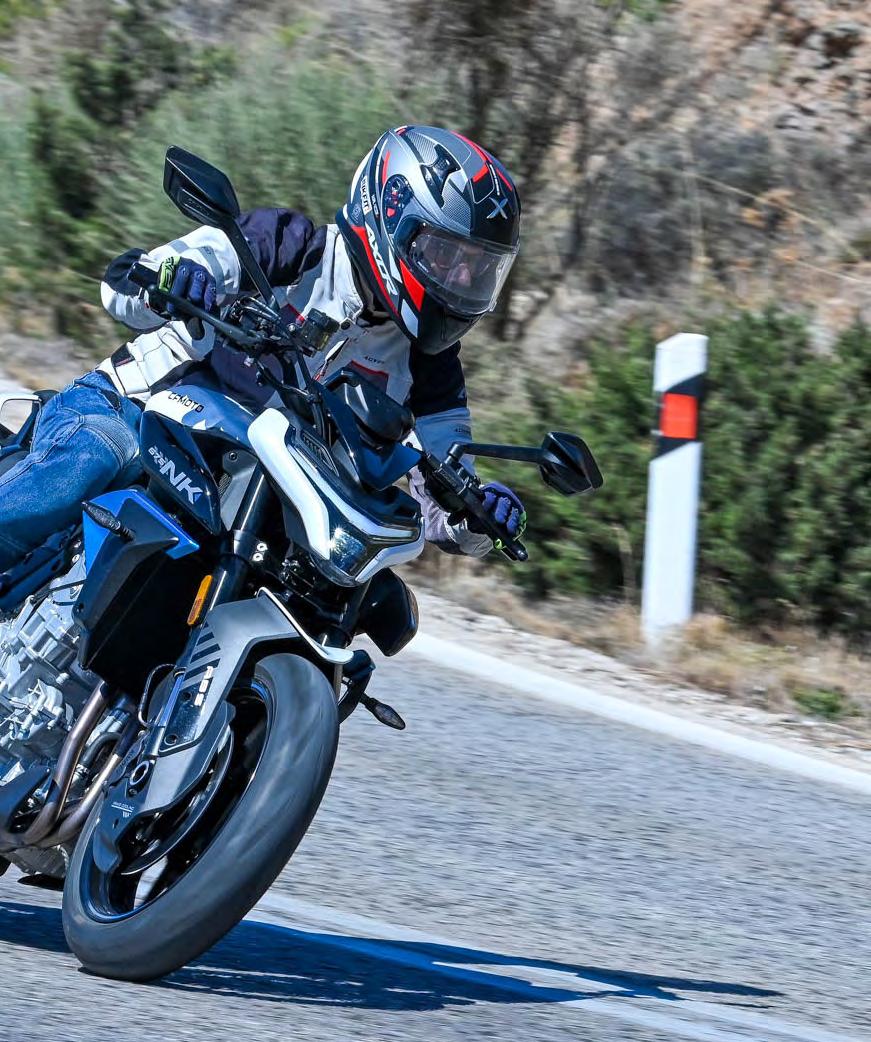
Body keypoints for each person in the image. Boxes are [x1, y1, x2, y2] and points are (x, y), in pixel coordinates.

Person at [0, 125, 525, 571]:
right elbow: (123, 285)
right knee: (94, 457)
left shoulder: (431, 366)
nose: (461, 279)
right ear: (390, 216)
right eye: (446, 254)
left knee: (367, 602)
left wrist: (479, 514)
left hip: (251, 493)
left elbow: (445, 491)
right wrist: (173, 281)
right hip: (139, 411)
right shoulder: (289, 246)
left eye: (478, 267)